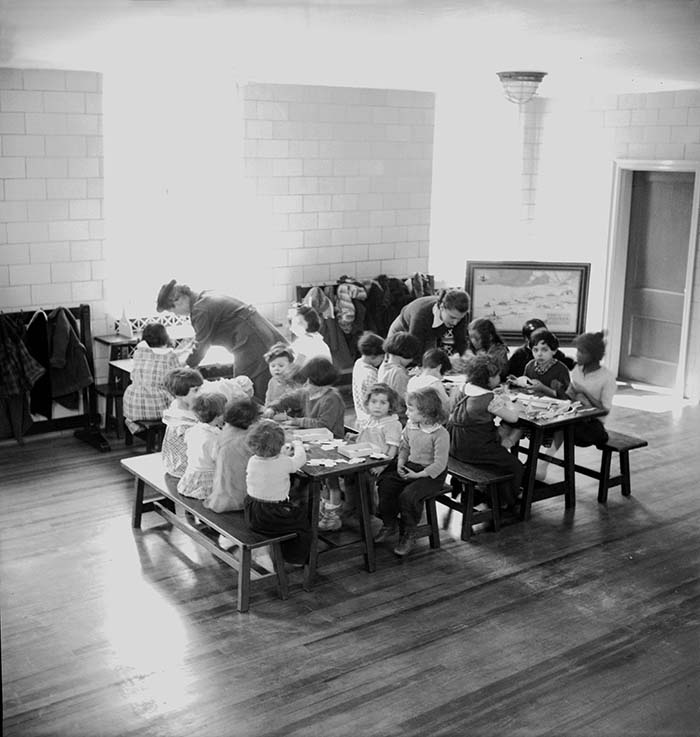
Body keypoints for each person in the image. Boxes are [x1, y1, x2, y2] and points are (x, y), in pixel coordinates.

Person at [156, 280, 287, 401]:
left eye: (173, 310)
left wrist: (186, 367)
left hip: (254, 344)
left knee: (247, 389)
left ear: (178, 300)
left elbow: (201, 344)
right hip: (261, 337)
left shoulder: (200, 309)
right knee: (251, 388)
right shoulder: (205, 297)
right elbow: (200, 338)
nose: (177, 314)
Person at [264, 357, 346, 531]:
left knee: (331, 483)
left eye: (309, 380)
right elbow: (288, 398)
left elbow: (323, 424)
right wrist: (273, 407)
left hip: (330, 446)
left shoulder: (332, 398)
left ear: (320, 382)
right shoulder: (308, 392)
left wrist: (295, 421)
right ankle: (324, 511)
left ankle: (334, 517)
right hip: (312, 442)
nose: (306, 384)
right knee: (321, 482)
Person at [375, 386, 450, 557]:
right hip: (411, 466)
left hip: (431, 474)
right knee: (386, 483)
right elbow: (405, 446)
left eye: (411, 409)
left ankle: (409, 533)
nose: (407, 412)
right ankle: (389, 522)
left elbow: (439, 464)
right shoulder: (411, 426)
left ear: (426, 413)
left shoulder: (440, 434)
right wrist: (401, 462)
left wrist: (417, 475)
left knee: (408, 496)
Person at [448, 355, 524, 511]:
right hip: (475, 448)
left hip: (454, 445)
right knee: (515, 466)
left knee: (501, 446)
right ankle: (505, 501)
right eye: (496, 375)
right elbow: (513, 417)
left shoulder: (462, 388)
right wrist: (511, 402)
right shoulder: (488, 398)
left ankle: (486, 491)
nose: (499, 378)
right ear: (488, 379)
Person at [244, 419, 311, 566]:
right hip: (274, 514)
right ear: (280, 445)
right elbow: (300, 459)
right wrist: (298, 444)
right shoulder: (284, 462)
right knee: (303, 523)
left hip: (253, 512)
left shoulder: (252, 460)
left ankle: (279, 550)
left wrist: (282, 453)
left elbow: (271, 465)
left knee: (293, 512)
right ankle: (296, 558)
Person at [342, 383, 403, 526]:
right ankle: (352, 506)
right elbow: (367, 438)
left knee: (365, 481)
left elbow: (392, 450)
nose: (377, 406)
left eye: (383, 402)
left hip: (383, 462)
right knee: (349, 476)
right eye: (373, 402)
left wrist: (381, 467)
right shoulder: (370, 419)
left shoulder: (391, 424)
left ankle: (367, 511)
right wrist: (355, 437)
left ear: (390, 405)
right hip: (364, 457)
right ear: (367, 404)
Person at [123, 323, 182, 434]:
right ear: (165, 337)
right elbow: (177, 378)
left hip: (133, 404)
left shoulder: (138, 352)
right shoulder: (170, 356)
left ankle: (133, 423)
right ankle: (173, 435)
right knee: (181, 402)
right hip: (156, 405)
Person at [206, 397, 260, 513]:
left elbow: (214, 457)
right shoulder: (246, 439)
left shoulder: (223, 434)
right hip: (241, 494)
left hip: (221, 492)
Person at [566, 331, 616, 447]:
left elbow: (605, 410)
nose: (577, 355)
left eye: (582, 352)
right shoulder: (576, 370)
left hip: (592, 423)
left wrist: (585, 392)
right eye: (577, 350)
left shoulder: (607, 377)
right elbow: (568, 397)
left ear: (594, 355)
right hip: (575, 417)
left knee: (567, 431)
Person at [386, 288, 471, 357]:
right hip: (403, 330)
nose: (455, 322)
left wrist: (465, 355)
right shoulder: (421, 316)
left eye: (459, 319)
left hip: (430, 328)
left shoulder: (459, 314)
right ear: (441, 307)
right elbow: (415, 350)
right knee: (400, 361)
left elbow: (461, 341)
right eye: (452, 317)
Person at [177, 392, 227, 500]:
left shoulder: (193, 430)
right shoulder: (214, 438)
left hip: (190, 478)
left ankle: (190, 515)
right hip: (207, 482)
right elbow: (219, 460)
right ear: (218, 415)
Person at [161, 367, 205, 478]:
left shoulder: (176, 406)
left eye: (200, 389)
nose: (200, 393)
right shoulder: (184, 422)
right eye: (195, 390)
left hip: (172, 463)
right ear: (180, 394)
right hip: (185, 469)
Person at [507, 318, 576, 377]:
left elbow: (569, 364)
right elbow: (509, 375)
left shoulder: (553, 352)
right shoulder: (519, 355)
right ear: (527, 339)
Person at [377, 331, 421, 408]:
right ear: (406, 354)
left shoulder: (384, 365)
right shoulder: (399, 373)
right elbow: (406, 400)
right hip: (399, 414)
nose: (411, 360)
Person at [351, 332, 385, 428]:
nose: (383, 360)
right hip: (372, 420)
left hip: (361, 416)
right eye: (382, 357)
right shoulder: (370, 374)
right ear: (373, 356)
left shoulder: (358, 363)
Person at [466, 317, 509, 382]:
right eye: (471, 337)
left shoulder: (500, 351)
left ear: (490, 337)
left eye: (476, 338)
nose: (473, 341)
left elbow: (490, 372)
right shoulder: (476, 350)